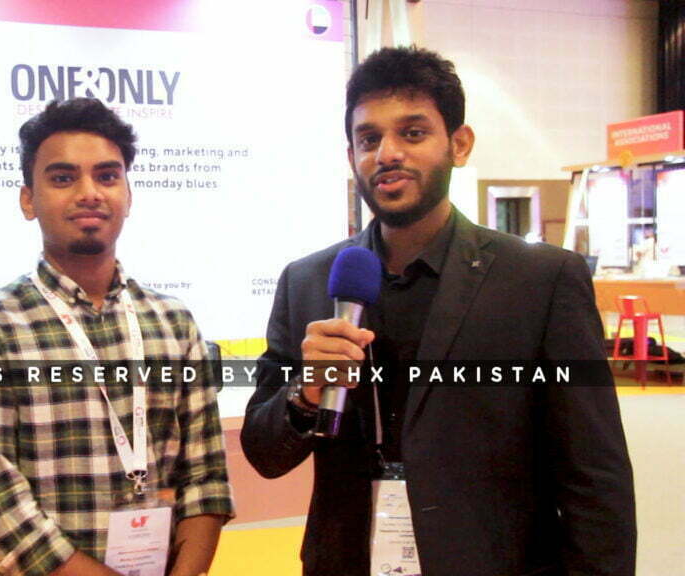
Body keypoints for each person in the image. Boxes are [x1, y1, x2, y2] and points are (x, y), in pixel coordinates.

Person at [241, 47, 636, 576]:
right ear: (351, 156)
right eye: (369, 139)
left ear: (459, 144)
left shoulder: (541, 280)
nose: (387, 153)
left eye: (412, 133)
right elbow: (264, 453)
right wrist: (308, 391)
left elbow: (595, 475)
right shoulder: (308, 282)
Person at [0, 98, 233, 576]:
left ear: (128, 195)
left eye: (107, 176)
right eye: (63, 178)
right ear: (28, 200)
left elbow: (207, 479)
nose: (89, 193)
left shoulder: (174, 323)